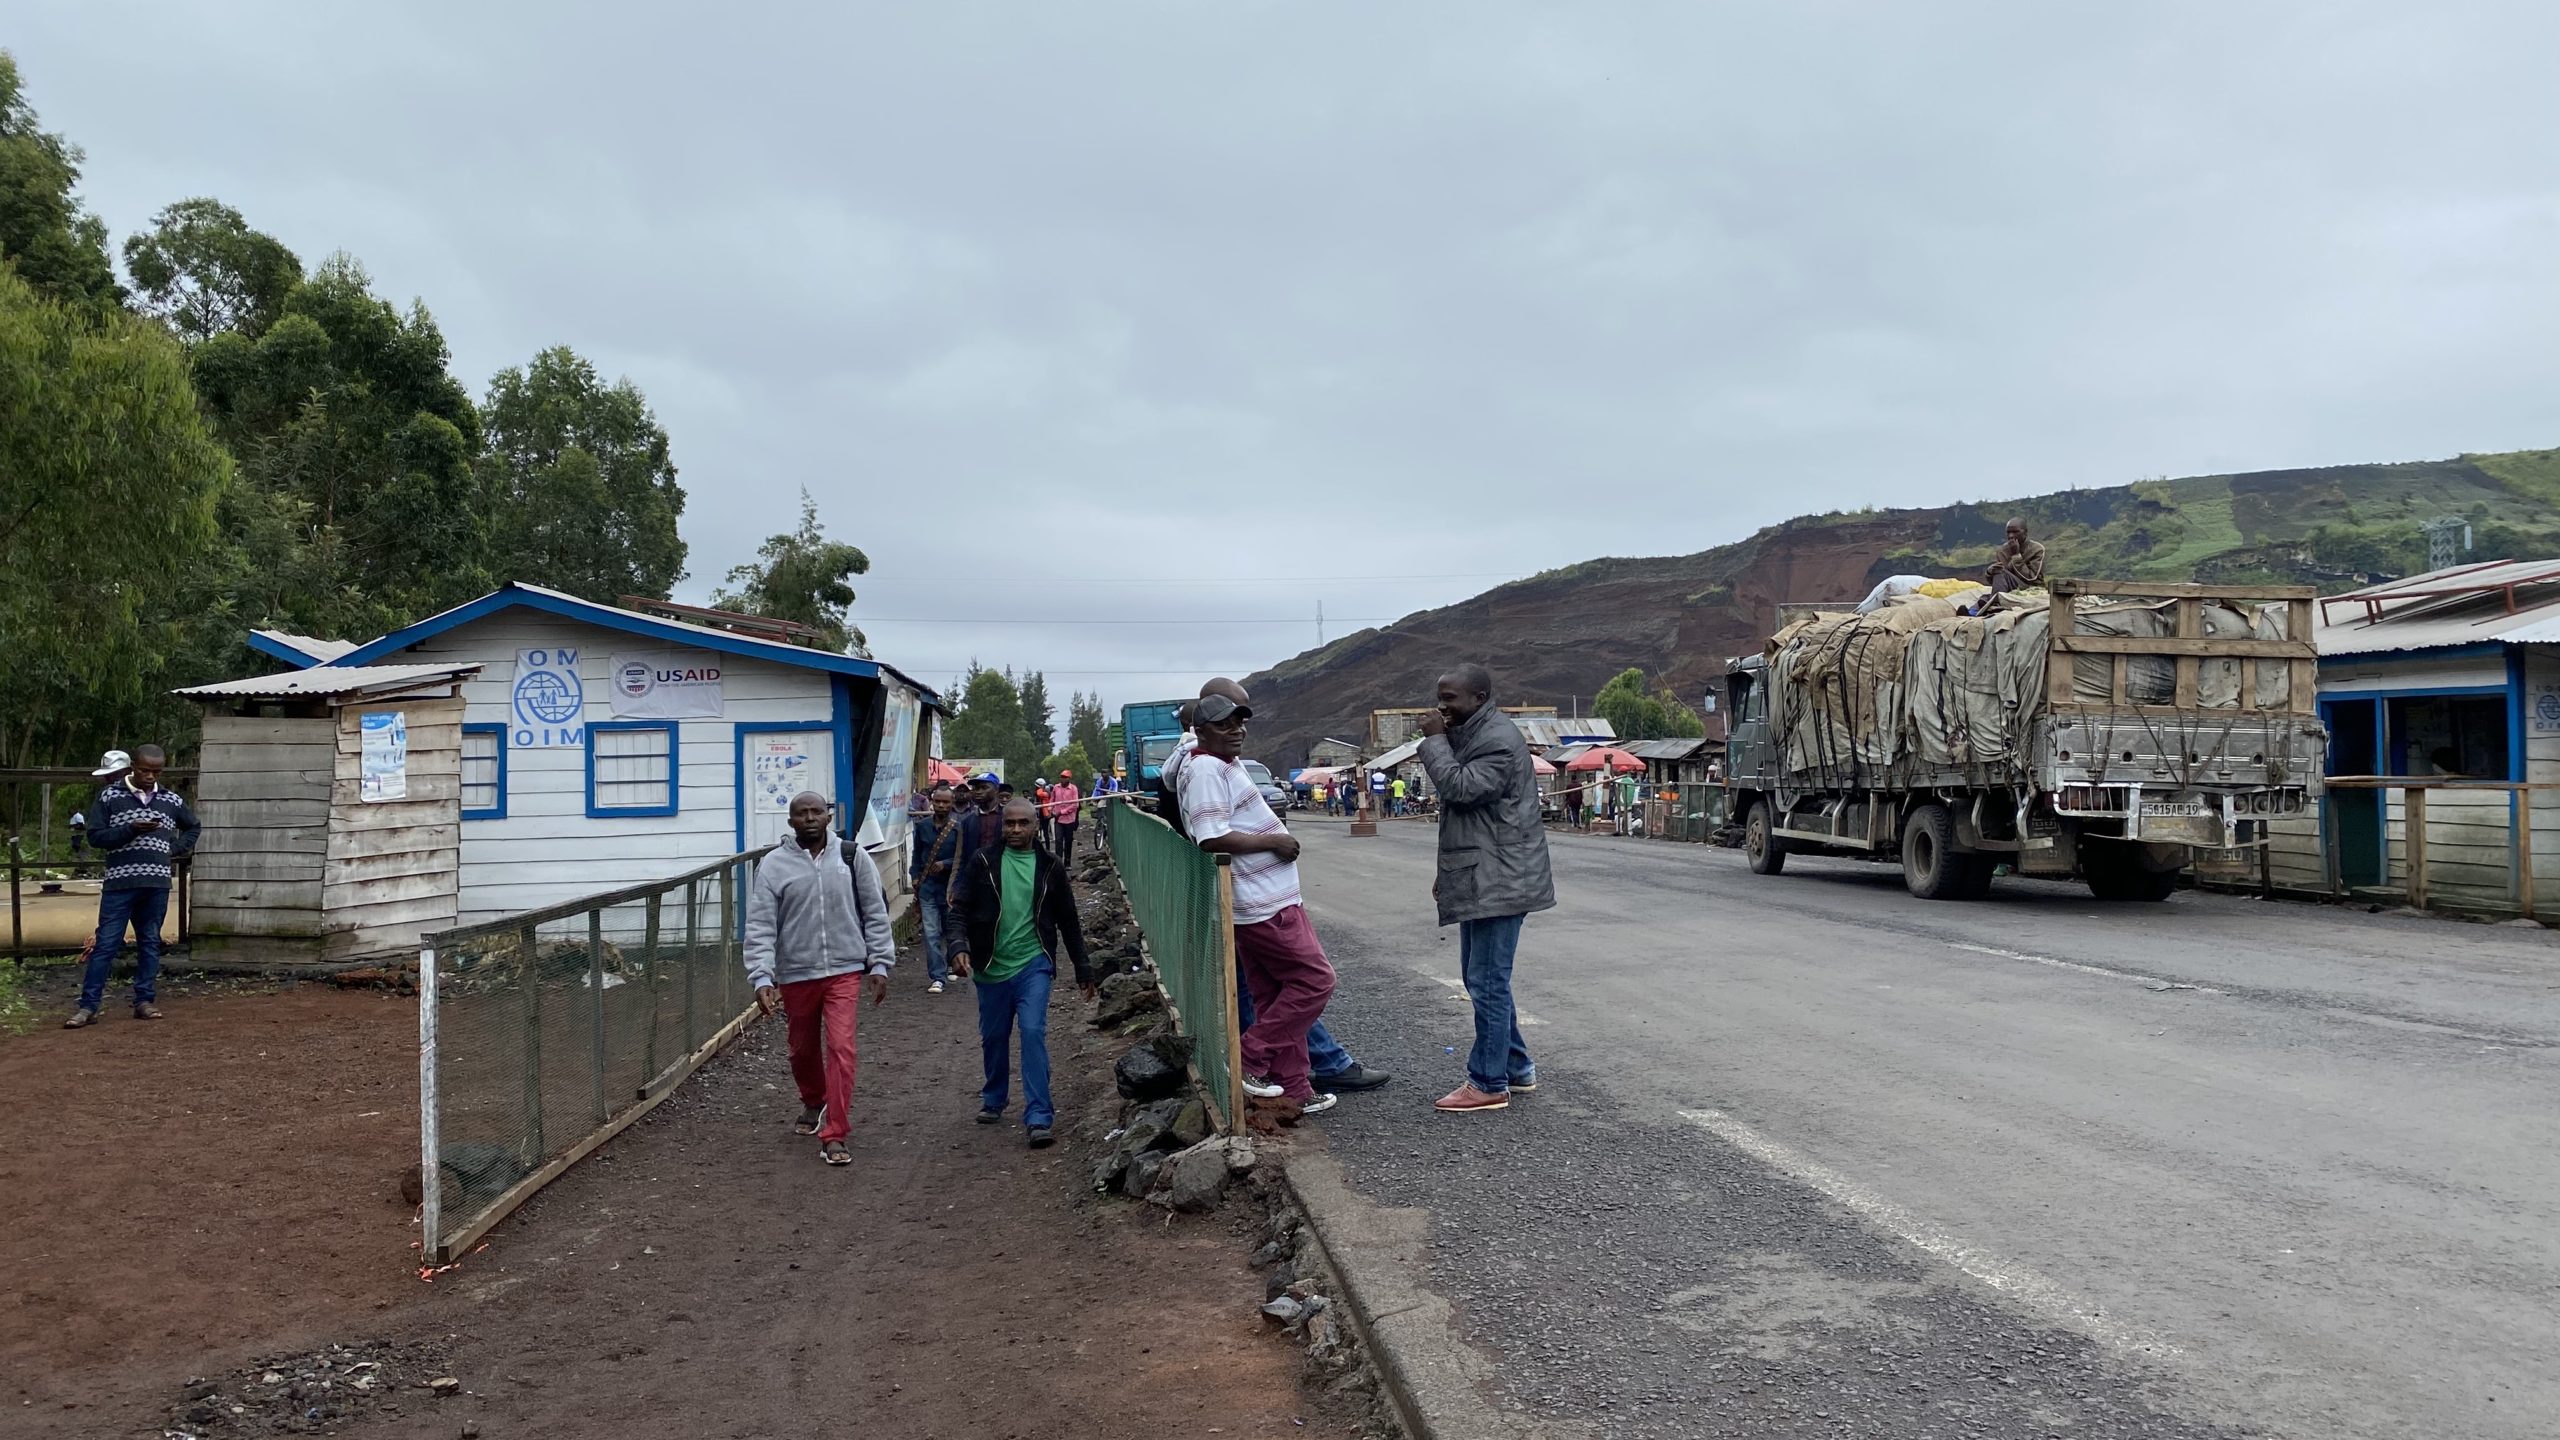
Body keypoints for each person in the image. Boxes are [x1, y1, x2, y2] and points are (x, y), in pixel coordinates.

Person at [1171, 684, 1338, 1113]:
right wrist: (1275, 842)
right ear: (1200, 731)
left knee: (1272, 995)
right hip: (1264, 902)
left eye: (1240, 721)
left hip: (1257, 900)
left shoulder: (1214, 763)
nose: (1236, 730)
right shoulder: (1207, 769)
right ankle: (1249, 1057)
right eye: (1224, 724)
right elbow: (1211, 837)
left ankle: (1293, 1089)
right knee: (1316, 981)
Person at [1417, 664, 1556, 1114]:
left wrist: (1436, 741)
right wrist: (1450, 873)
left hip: (1502, 878)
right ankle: (1516, 1066)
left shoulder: (1496, 738)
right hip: (1485, 872)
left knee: (1487, 980)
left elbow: (1459, 788)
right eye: (1441, 696)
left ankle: (1488, 1082)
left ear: (1479, 698)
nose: (1442, 706)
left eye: (1451, 698)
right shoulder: (1478, 732)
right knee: (1482, 978)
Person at [744, 791, 895, 1165]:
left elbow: (875, 910)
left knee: (842, 1049)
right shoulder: (773, 866)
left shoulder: (851, 856)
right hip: (796, 973)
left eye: (816, 812)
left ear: (829, 817)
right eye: (801, 813)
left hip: (844, 970)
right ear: (791, 821)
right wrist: (762, 976)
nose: (810, 818)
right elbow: (760, 925)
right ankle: (813, 1099)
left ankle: (835, 1133)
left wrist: (879, 963)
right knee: (801, 1049)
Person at [950, 799, 1094, 1147]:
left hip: (1034, 962)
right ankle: (994, 1097)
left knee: (1032, 1031)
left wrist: (1083, 967)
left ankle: (1039, 1116)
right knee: (995, 1036)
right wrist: (958, 946)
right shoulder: (983, 862)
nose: (1015, 830)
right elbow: (959, 910)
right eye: (1009, 824)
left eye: (1022, 824)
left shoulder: (1050, 867)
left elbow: (1069, 921)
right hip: (991, 966)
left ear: (1035, 825)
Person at [65, 746, 199, 1030]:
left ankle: (144, 1001)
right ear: (132, 768)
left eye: (157, 771)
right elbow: (96, 837)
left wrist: (173, 849)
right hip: (120, 884)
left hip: (156, 883)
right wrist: (131, 830)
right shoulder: (110, 796)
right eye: (145, 770)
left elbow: (193, 827)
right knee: (106, 945)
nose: (150, 776)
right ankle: (88, 1007)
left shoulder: (171, 799)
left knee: (150, 943)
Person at [910, 784, 962, 994]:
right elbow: (917, 853)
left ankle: (952, 963)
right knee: (931, 934)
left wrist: (946, 864)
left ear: (952, 804)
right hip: (928, 888)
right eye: (938, 801)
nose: (941, 805)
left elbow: (963, 858)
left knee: (950, 930)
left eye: (946, 802)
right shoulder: (922, 826)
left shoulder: (959, 828)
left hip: (950, 889)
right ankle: (937, 977)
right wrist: (914, 876)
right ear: (932, 801)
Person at [1982, 518, 2047, 595]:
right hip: (2010, 588)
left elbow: (2031, 578)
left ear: (2025, 532)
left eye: (2015, 532)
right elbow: (1999, 581)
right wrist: (1990, 572)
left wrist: (2016, 555)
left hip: (2031, 587)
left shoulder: (2037, 549)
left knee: (2001, 573)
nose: (2011, 536)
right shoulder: (2002, 551)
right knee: (1983, 599)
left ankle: (1997, 601)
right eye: (2008, 532)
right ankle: (1982, 604)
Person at [1047, 768, 1082, 861]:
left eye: (1065, 777)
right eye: (1062, 777)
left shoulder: (1073, 789)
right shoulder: (1056, 787)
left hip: (1069, 819)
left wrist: (1062, 812)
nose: (1063, 779)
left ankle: (1067, 861)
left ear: (1069, 779)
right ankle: (1058, 860)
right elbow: (1052, 800)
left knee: (1068, 841)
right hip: (1058, 819)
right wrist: (1050, 809)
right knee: (1058, 840)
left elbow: (1075, 805)